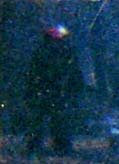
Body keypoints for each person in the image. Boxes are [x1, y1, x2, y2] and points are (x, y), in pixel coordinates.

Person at [24, 24, 84, 156]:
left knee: (59, 121)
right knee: (39, 121)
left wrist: (73, 89)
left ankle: (60, 147)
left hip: (58, 92)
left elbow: (74, 73)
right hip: (44, 90)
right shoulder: (41, 52)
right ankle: (35, 147)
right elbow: (32, 73)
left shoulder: (67, 52)